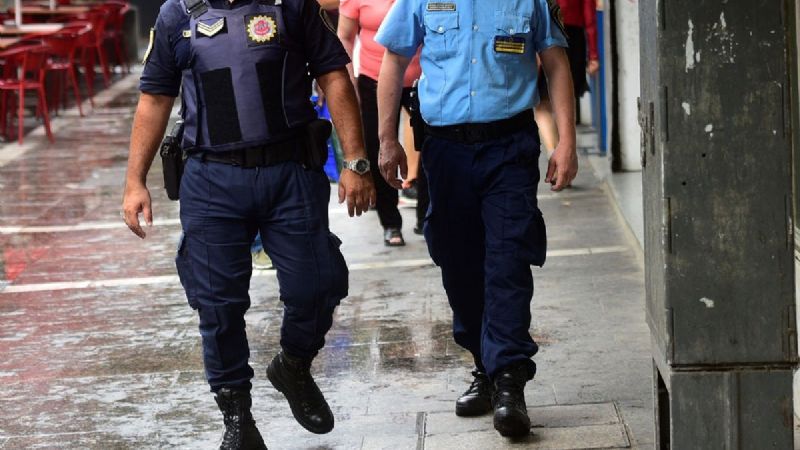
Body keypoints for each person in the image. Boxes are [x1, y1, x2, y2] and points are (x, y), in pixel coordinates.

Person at [121, 0, 375, 446]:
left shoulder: (292, 6)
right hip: (210, 179)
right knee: (217, 306)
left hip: (290, 172)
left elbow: (333, 75)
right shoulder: (176, 14)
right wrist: (134, 181)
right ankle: (237, 417)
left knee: (318, 285)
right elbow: (156, 97)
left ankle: (293, 365)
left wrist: (354, 160)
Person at [375, 0, 578, 438]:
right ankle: (484, 367)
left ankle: (508, 380)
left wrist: (566, 142)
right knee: (457, 262)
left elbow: (556, 64)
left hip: (509, 148)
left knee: (507, 258)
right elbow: (393, 60)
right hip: (445, 152)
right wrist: (387, 139)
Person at [337, 0, 423, 246]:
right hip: (374, 79)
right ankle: (391, 222)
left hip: (421, 79)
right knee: (379, 148)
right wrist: (349, 78)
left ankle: (426, 218)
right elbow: (345, 36)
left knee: (430, 147)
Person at [535, 0, 599, 155]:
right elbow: (589, 17)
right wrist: (593, 55)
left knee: (541, 105)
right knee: (565, 101)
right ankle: (564, 154)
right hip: (573, 37)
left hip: (543, 35)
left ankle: (554, 154)